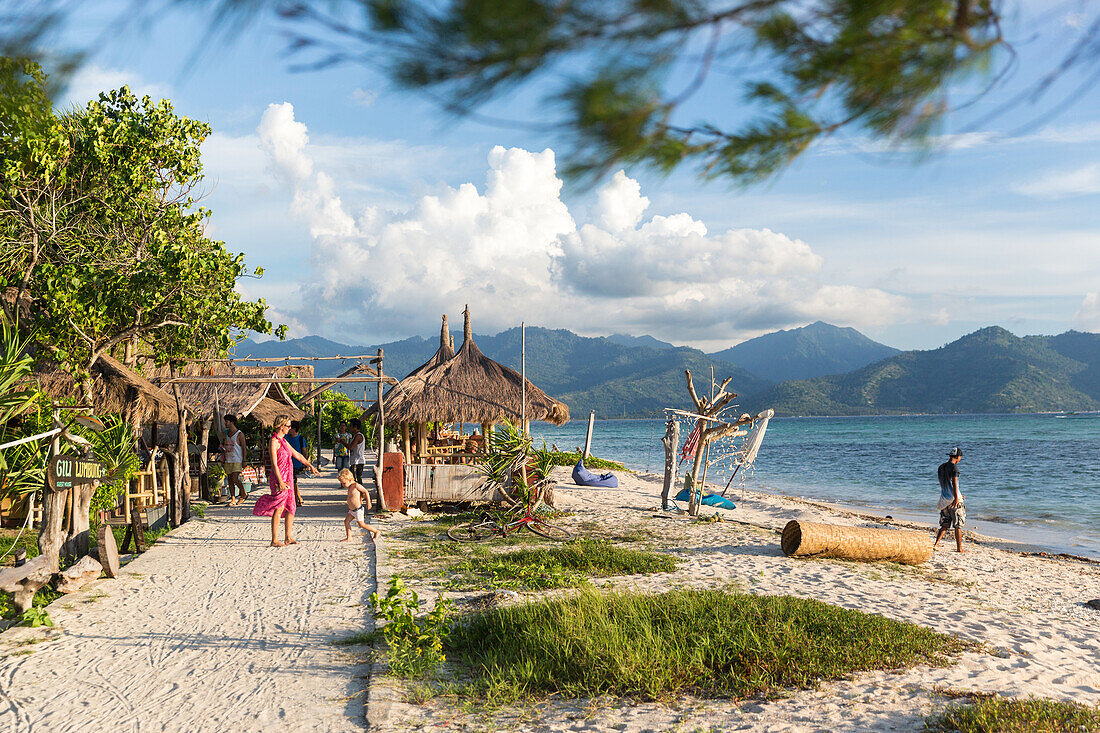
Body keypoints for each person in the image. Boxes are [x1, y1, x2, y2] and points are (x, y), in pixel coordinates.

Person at [254, 414, 318, 547]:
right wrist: (280, 482)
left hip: (288, 476)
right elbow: (274, 464)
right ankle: (274, 539)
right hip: (279, 478)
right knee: (279, 506)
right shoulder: (274, 441)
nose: (290, 428)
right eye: (288, 426)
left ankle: (288, 537)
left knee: (291, 507)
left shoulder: (284, 441)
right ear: (281, 427)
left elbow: (297, 454)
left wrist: (310, 465)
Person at [934, 447, 966, 553]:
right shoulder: (954, 468)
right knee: (958, 525)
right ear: (958, 457)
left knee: (944, 524)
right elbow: (954, 483)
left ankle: (937, 543)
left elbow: (946, 483)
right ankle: (959, 548)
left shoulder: (941, 467)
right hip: (954, 500)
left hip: (944, 499)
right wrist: (957, 498)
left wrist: (960, 493)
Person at [338, 468, 379, 541]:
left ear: (350, 480)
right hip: (352, 510)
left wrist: (368, 502)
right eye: (341, 483)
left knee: (362, 525)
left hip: (358, 510)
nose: (343, 485)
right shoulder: (349, 486)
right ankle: (349, 537)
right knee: (346, 521)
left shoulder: (356, 485)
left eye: (344, 483)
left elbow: (365, 491)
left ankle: (376, 531)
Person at [221, 414, 248, 506]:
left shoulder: (239, 434)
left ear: (231, 422)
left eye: (226, 421)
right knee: (230, 480)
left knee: (235, 479)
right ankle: (233, 499)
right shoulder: (225, 433)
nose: (225, 423)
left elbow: (244, 448)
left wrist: (244, 460)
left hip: (237, 459)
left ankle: (243, 493)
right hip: (228, 459)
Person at [286, 421, 307, 506]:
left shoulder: (301, 439)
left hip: (297, 463)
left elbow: (304, 451)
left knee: (293, 480)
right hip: (287, 463)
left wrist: (305, 462)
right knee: (293, 481)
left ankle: (296, 499)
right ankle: (298, 498)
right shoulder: (285, 437)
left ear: (293, 429)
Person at [349, 418, 367, 485]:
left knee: (357, 481)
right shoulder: (355, 436)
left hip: (358, 461)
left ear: (355, 427)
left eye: (350, 426)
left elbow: (351, 447)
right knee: (354, 480)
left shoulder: (358, 436)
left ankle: (361, 494)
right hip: (355, 461)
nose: (349, 428)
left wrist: (342, 441)